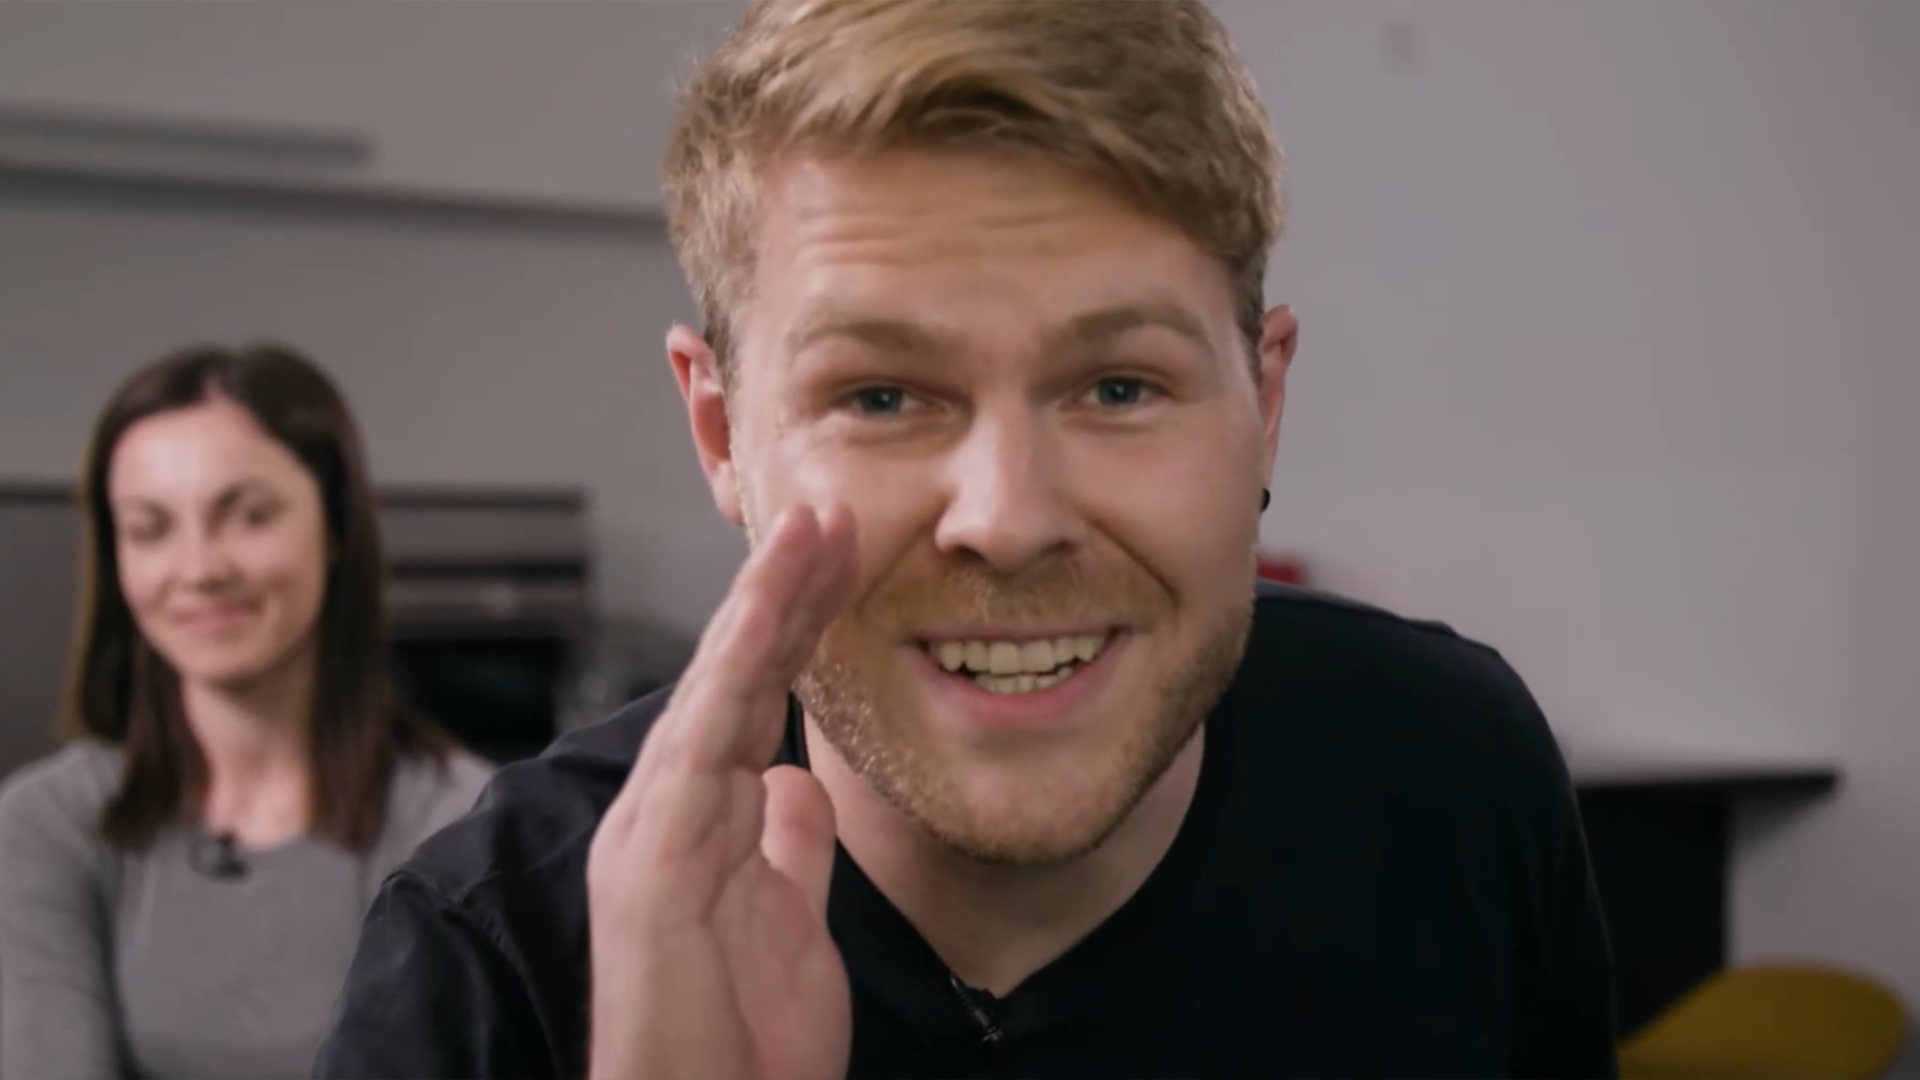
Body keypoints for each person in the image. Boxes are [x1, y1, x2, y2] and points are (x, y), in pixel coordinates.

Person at [315, 1, 1617, 1077]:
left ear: (1264, 407)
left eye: (1119, 387)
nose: (1006, 519)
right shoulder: (492, 962)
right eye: (881, 397)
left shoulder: (1455, 782)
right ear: (721, 436)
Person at [0, 344, 493, 1079]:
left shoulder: (464, 824)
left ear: (334, 526)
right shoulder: (47, 826)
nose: (200, 569)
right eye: (150, 529)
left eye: (249, 516)